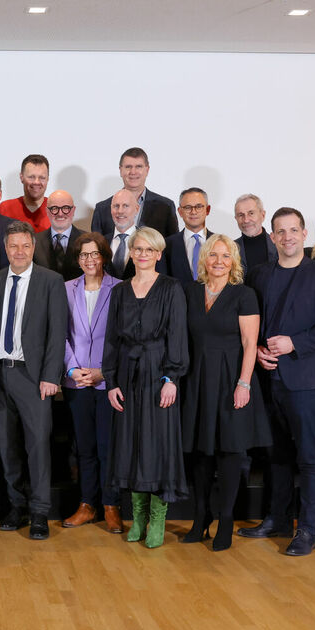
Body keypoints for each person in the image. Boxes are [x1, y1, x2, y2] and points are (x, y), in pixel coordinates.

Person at [238, 207, 315, 557]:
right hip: (269, 378)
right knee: (276, 455)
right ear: (272, 237)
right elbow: (252, 323)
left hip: (308, 381)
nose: (287, 237)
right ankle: (278, 519)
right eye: (280, 232)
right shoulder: (259, 275)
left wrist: (294, 343)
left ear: (304, 234)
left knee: (311, 457)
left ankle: (308, 530)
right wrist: (258, 352)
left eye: (293, 230)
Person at [180, 234, 269, 552]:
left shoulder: (243, 294)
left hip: (233, 379)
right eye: (213, 255)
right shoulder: (190, 292)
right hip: (197, 380)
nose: (219, 261)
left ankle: (227, 519)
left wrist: (244, 383)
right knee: (199, 454)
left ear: (234, 262)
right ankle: (200, 517)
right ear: (203, 259)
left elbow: (249, 343)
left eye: (225, 256)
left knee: (230, 453)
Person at [103, 227, 189, 549]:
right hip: (127, 373)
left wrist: (171, 378)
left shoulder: (171, 288)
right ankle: (137, 518)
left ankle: (158, 520)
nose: (142, 254)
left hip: (158, 374)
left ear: (158, 254)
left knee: (157, 446)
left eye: (148, 250)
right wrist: (111, 382)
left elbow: (177, 336)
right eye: (137, 249)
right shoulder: (120, 292)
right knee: (131, 445)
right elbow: (112, 339)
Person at [0, 222, 67, 540]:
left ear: (33, 248)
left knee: (37, 446)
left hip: (33, 377)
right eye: (13, 246)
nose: (19, 252)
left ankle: (39, 512)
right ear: (5, 249)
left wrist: (50, 376)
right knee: (7, 446)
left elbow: (57, 333)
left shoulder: (51, 281)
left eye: (25, 246)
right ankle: (16, 506)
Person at [60, 232, 122, 533]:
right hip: (77, 383)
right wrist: (73, 369)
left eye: (94, 254)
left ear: (104, 256)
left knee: (107, 447)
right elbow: (59, 335)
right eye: (83, 255)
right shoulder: (65, 289)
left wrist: (103, 371)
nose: (89, 259)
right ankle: (87, 504)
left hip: (107, 382)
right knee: (83, 447)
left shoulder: (120, 289)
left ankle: (111, 506)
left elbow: (123, 338)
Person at [91, 148, 178, 238]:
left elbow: (172, 245)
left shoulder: (165, 206)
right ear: (121, 170)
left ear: (147, 170)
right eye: (128, 167)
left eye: (138, 167)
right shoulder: (102, 209)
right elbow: (96, 247)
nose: (133, 172)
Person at [162, 188, 213, 283]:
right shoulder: (166, 245)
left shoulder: (220, 243)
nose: (193, 212)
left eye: (199, 206)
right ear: (180, 211)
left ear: (207, 210)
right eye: (188, 207)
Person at [32, 190, 84, 281]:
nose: (60, 213)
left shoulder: (88, 240)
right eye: (54, 208)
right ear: (47, 211)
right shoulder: (34, 242)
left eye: (66, 208)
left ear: (73, 210)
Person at [0, 154, 52, 232]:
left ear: (47, 179)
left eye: (42, 178)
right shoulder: (5, 208)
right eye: (31, 177)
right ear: (21, 177)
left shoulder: (56, 210)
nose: (36, 182)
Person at [104, 189, 143, 281]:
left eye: (125, 206)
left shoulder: (147, 242)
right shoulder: (100, 242)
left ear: (137, 209)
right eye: (116, 206)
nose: (120, 211)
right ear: (111, 209)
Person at [233, 194, 277, 276]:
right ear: (236, 218)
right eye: (241, 215)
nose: (246, 220)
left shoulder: (279, 245)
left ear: (263, 215)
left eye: (251, 213)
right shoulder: (229, 249)